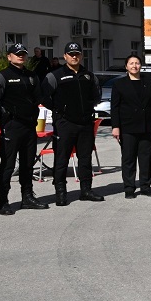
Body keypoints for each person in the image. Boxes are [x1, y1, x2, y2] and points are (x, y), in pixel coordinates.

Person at [0, 42, 51, 214]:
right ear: (9, 56)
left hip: (29, 126)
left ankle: (27, 197)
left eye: (23, 54)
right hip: (12, 126)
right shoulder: (2, 76)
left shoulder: (32, 76)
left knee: (27, 163)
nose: (20, 56)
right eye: (16, 54)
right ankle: (3, 201)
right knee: (8, 165)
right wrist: (5, 116)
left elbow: (39, 97)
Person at [41, 42, 103, 205]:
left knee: (85, 158)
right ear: (65, 56)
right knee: (61, 159)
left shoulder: (89, 76)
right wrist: (60, 109)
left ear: (81, 56)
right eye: (71, 54)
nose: (74, 56)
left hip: (85, 123)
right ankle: (60, 192)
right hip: (65, 124)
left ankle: (86, 190)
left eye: (77, 54)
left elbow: (96, 96)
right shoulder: (55, 76)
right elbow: (44, 97)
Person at [109, 55, 151, 199]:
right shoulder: (119, 84)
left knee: (145, 158)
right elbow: (115, 107)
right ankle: (129, 188)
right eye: (131, 63)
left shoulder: (149, 82)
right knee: (128, 159)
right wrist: (115, 127)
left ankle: (145, 186)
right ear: (126, 66)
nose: (134, 66)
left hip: (147, 126)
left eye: (137, 63)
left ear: (141, 65)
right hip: (127, 127)